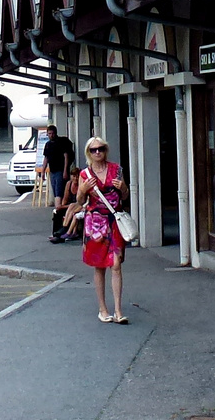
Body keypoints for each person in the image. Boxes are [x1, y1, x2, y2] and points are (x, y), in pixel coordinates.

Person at [72, 138, 129, 323]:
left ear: (106, 150)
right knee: (99, 266)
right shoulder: (85, 174)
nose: (98, 153)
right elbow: (80, 202)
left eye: (101, 149)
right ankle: (103, 309)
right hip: (95, 223)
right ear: (89, 152)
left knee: (116, 263)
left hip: (114, 220)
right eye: (94, 150)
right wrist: (82, 189)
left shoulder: (116, 169)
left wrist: (124, 188)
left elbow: (125, 196)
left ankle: (119, 311)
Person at [41, 125, 74, 241]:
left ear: (55, 133)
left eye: (52, 133)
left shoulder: (61, 142)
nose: (51, 135)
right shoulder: (48, 145)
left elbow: (66, 156)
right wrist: (43, 171)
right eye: (49, 134)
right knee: (56, 191)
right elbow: (46, 158)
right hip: (52, 171)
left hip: (60, 170)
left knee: (59, 192)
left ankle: (58, 211)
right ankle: (58, 210)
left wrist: (65, 170)